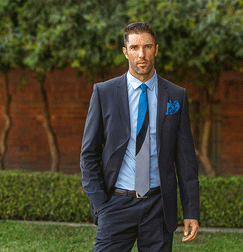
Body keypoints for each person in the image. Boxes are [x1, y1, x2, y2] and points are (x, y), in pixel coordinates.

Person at [80, 22, 200, 251]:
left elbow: (186, 160)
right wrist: (100, 205)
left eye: (147, 47)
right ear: (125, 51)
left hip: (159, 206)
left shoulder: (176, 95)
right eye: (134, 47)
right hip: (115, 204)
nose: (141, 54)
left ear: (156, 49)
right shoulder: (104, 93)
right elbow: (88, 154)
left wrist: (191, 211)